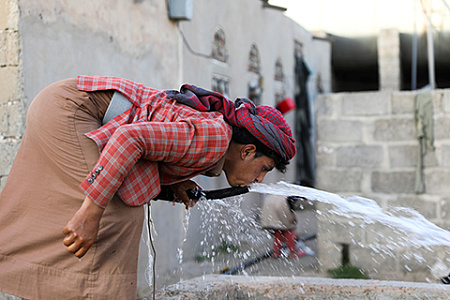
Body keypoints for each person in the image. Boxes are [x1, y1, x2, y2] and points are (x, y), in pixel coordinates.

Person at [0, 76, 296, 299]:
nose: (259, 180)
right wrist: (91, 212)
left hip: (59, 103)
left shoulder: (214, 140)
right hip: (69, 111)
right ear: (246, 151)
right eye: (264, 169)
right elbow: (129, 140)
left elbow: (151, 149)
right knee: (115, 215)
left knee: (96, 208)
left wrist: (175, 185)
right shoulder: (215, 137)